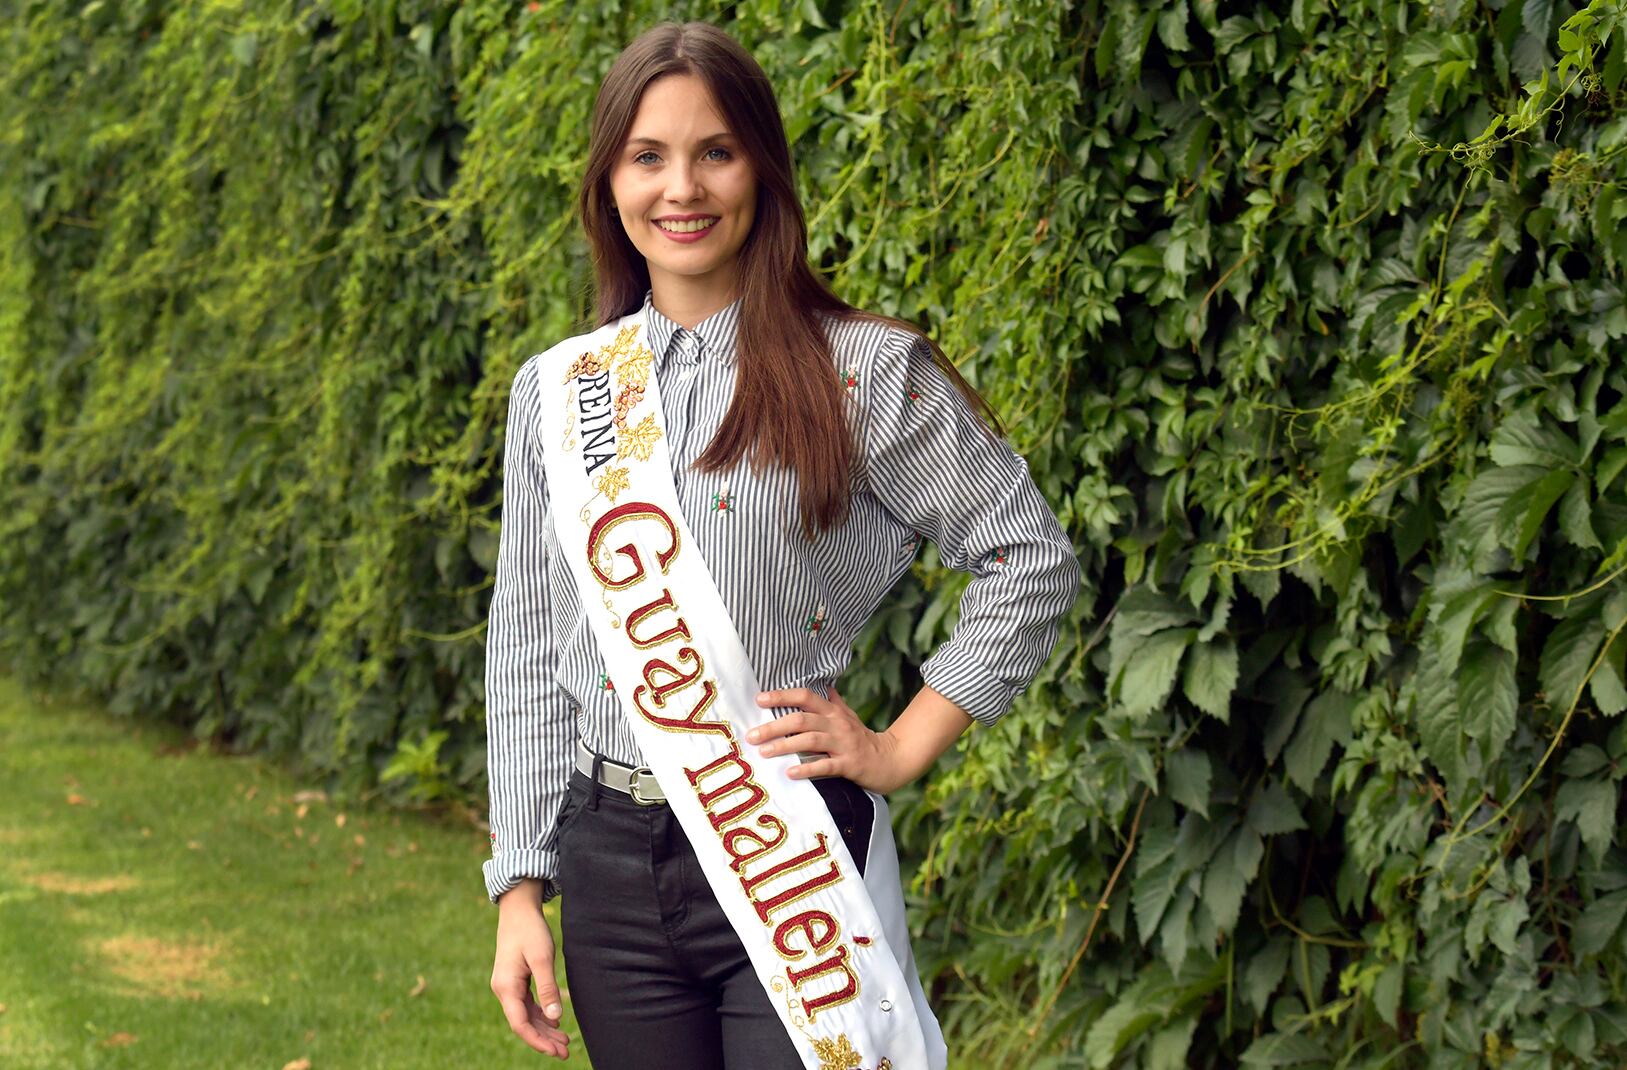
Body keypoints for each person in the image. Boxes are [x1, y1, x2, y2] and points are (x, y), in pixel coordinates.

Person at [482, 20, 1081, 1069]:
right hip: (611, 866)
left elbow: (1027, 556)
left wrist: (898, 745)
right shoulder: (559, 391)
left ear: (761, 165)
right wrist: (521, 886)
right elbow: (531, 645)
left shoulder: (862, 370)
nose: (683, 188)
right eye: (648, 156)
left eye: (715, 150)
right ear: (609, 182)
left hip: (784, 849)